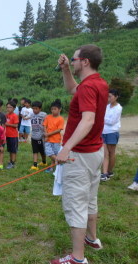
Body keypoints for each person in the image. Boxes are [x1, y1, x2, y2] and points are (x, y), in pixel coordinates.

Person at [51, 44, 108, 264]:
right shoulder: (98, 83)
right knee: (90, 199)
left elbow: (88, 120)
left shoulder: (88, 87)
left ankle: (77, 258)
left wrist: (66, 148)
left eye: (74, 60)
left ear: (85, 61)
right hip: (94, 152)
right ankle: (92, 239)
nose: (72, 62)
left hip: (80, 155)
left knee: (76, 202)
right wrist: (66, 69)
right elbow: (72, 90)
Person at [100, 89, 122, 182]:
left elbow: (111, 121)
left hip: (112, 132)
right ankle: (104, 173)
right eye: (107, 96)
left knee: (111, 152)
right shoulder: (107, 106)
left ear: (116, 97)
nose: (108, 98)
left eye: (110, 96)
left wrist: (102, 118)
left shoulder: (118, 108)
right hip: (104, 132)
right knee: (105, 153)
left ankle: (109, 171)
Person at [43, 99, 65, 173]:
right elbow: (44, 125)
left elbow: (59, 130)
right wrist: (46, 135)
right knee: (49, 152)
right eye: (52, 109)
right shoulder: (48, 117)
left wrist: (48, 134)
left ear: (59, 109)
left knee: (55, 153)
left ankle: (53, 167)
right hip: (48, 139)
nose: (53, 111)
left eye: (55, 109)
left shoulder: (61, 119)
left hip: (56, 140)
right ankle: (59, 162)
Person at [30, 101, 47, 170]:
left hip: (41, 136)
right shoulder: (31, 115)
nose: (34, 110)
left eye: (36, 109)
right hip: (33, 136)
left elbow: (47, 124)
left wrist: (45, 134)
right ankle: (35, 165)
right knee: (35, 151)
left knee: (42, 151)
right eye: (33, 108)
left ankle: (44, 162)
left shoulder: (44, 115)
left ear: (40, 109)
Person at [5, 101, 19, 169]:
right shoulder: (6, 115)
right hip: (7, 135)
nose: (8, 109)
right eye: (7, 107)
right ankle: (10, 161)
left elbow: (16, 125)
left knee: (13, 150)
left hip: (13, 135)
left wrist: (8, 124)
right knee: (9, 149)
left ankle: (13, 163)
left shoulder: (15, 116)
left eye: (10, 107)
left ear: (13, 108)